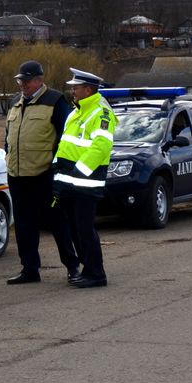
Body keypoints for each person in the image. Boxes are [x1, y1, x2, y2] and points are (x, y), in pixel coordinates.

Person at [5, 60, 78, 285]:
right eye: (20, 81)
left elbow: (65, 137)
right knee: (24, 226)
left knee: (58, 223)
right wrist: (8, 157)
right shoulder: (15, 102)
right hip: (18, 175)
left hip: (44, 175)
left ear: (39, 80)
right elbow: (9, 136)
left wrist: (57, 168)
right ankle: (30, 269)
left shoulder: (56, 101)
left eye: (26, 81)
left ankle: (73, 267)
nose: (22, 85)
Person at [53, 68, 117, 289]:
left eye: (76, 87)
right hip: (69, 183)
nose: (72, 90)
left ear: (88, 89)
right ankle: (87, 270)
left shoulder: (101, 113)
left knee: (85, 229)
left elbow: (101, 147)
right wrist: (57, 170)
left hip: (85, 184)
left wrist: (78, 171)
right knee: (76, 229)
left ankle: (96, 274)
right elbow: (66, 145)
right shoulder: (76, 112)